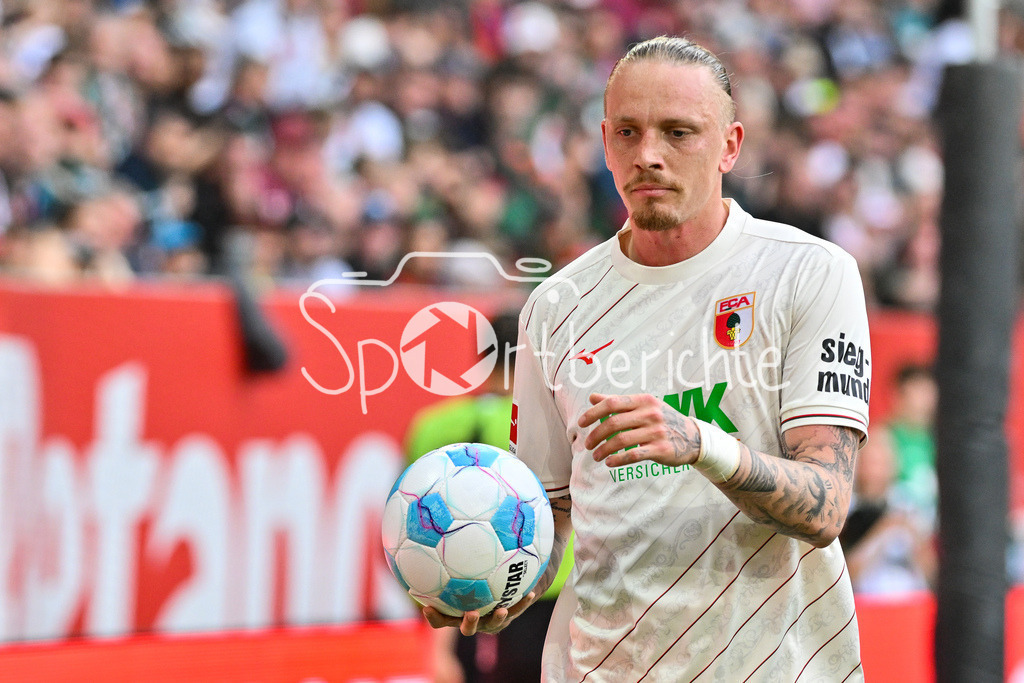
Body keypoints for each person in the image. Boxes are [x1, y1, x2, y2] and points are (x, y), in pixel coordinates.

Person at [423, 36, 872, 681]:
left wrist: (699, 443)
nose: (649, 155)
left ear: (730, 145)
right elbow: (550, 513)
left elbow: (826, 506)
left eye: (678, 132)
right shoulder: (556, 307)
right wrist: (497, 586)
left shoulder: (809, 274)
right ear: (604, 142)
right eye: (628, 132)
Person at [406, 310, 573, 683]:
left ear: (483, 359)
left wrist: (435, 645)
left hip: (460, 601)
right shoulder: (555, 420)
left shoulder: (433, 424)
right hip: (551, 598)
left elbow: (412, 533)